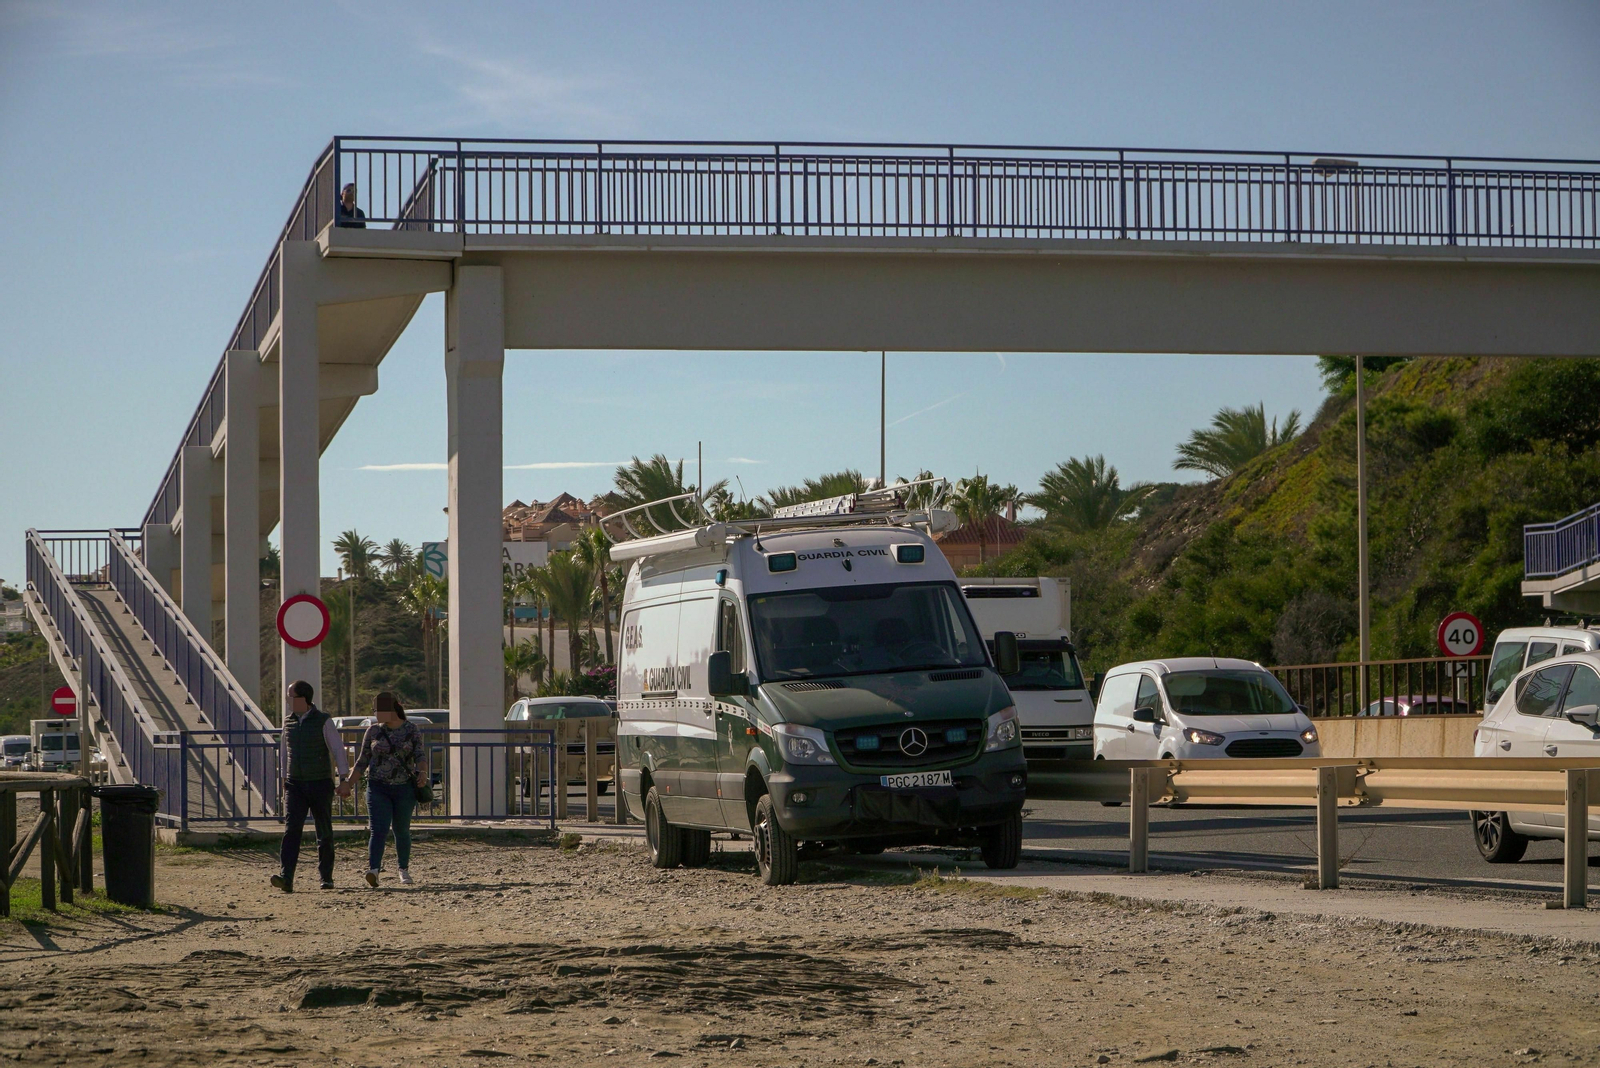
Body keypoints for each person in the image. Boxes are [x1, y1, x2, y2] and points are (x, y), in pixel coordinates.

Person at [273, 680, 351, 893]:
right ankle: (286, 876)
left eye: (291, 696)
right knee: (291, 830)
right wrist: (283, 779)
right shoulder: (287, 722)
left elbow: (337, 749)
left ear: (303, 699)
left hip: (320, 783)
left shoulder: (323, 720)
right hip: (295, 784)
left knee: (323, 831)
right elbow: (284, 752)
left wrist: (344, 777)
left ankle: (326, 877)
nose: (288, 701)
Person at [343, 691, 427, 887]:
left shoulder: (411, 729)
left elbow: (420, 755)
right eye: (375, 710)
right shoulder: (373, 731)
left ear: (393, 708)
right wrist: (348, 783)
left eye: (380, 710)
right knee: (378, 830)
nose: (377, 714)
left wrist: (422, 773)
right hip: (377, 786)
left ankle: (403, 869)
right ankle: (373, 870)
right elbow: (362, 761)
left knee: (401, 830)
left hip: (404, 787)